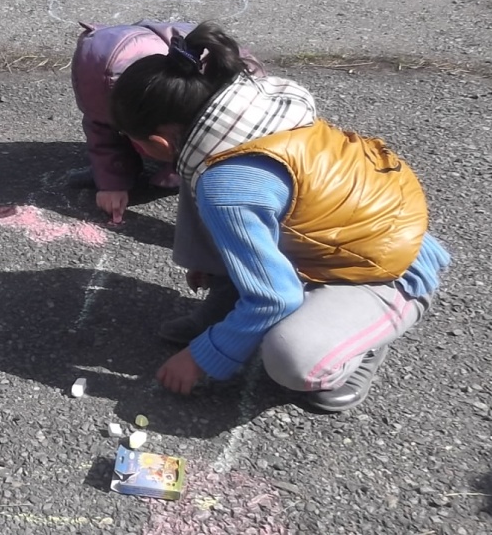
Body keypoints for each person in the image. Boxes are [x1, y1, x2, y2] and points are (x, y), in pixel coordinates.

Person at [108, 22, 450, 413]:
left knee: (290, 359)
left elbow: (275, 298)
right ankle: (229, 309)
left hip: (389, 267)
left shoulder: (226, 185)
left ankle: (366, 338)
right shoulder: (253, 115)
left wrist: (204, 356)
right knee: (210, 203)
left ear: (156, 143)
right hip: (357, 230)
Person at [71, 20, 262, 225]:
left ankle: (178, 162)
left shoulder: (231, 98)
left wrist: (184, 171)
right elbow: (100, 126)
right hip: (104, 64)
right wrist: (111, 182)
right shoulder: (98, 83)